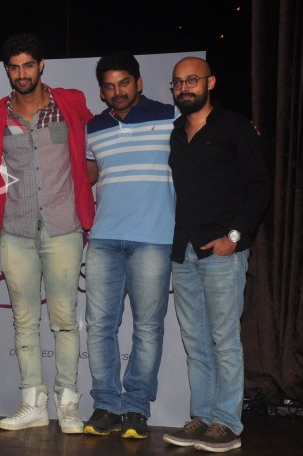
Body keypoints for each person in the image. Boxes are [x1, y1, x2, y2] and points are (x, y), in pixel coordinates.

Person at [0, 33, 95, 434]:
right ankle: (32, 403)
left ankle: (68, 405)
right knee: (24, 321)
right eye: (14, 67)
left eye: (28, 65)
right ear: (7, 71)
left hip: (64, 227)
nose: (22, 73)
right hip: (15, 230)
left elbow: (94, 148)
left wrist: (85, 180)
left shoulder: (70, 103)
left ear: (41, 65)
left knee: (65, 321)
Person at [162, 57, 271, 453]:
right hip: (184, 252)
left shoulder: (235, 127)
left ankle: (227, 423)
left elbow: (260, 186)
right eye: (177, 83)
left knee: (224, 340)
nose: (184, 88)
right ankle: (202, 417)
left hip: (223, 252)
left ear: (210, 82)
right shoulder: (176, 132)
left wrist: (234, 236)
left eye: (192, 80)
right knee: (196, 342)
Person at [83, 51, 177, 439]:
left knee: (148, 328)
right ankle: (106, 404)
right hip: (104, 239)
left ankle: (136, 407)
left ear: (138, 82)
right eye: (109, 86)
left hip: (154, 238)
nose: (117, 91)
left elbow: (211, 133)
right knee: (99, 327)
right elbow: (88, 176)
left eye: (124, 83)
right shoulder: (93, 127)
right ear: (101, 91)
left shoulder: (171, 116)